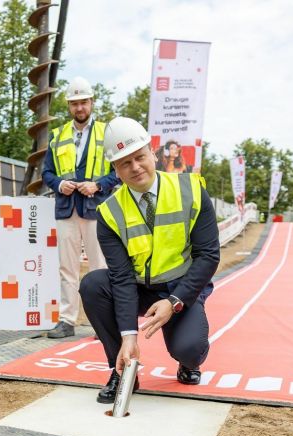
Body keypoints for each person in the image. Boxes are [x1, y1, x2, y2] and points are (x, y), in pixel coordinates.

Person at [79, 117, 220, 403]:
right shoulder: (109, 213)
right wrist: (128, 335)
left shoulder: (192, 191)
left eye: (140, 157)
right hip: (139, 289)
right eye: (124, 163)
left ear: (152, 153)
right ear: (115, 169)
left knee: (189, 349)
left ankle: (188, 362)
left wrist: (174, 302)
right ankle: (122, 370)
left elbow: (208, 256)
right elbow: (121, 277)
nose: (135, 167)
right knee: (93, 284)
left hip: (181, 289)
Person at [41, 77, 121, 339]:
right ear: (68, 106)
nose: (79, 107)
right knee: (67, 268)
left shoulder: (106, 134)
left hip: (96, 208)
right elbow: (47, 173)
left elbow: (118, 171)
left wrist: (97, 185)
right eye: (74, 103)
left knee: (99, 267)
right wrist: (59, 184)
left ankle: (102, 322)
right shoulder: (58, 136)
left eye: (83, 102)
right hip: (66, 209)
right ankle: (67, 320)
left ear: (92, 102)